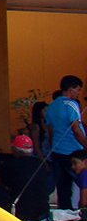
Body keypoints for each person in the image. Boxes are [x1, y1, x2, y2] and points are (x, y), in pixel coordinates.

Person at [47, 75, 86, 210]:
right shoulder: (71, 104)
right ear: (71, 89)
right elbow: (76, 129)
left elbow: (51, 131)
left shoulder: (51, 106)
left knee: (63, 187)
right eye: (78, 90)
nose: (79, 93)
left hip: (57, 151)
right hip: (73, 151)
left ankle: (66, 212)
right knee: (83, 183)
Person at [0, 135, 49, 221]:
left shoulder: (10, 164)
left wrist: (4, 185)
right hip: (42, 212)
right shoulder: (41, 165)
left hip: (20, 211)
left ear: (14, 150)